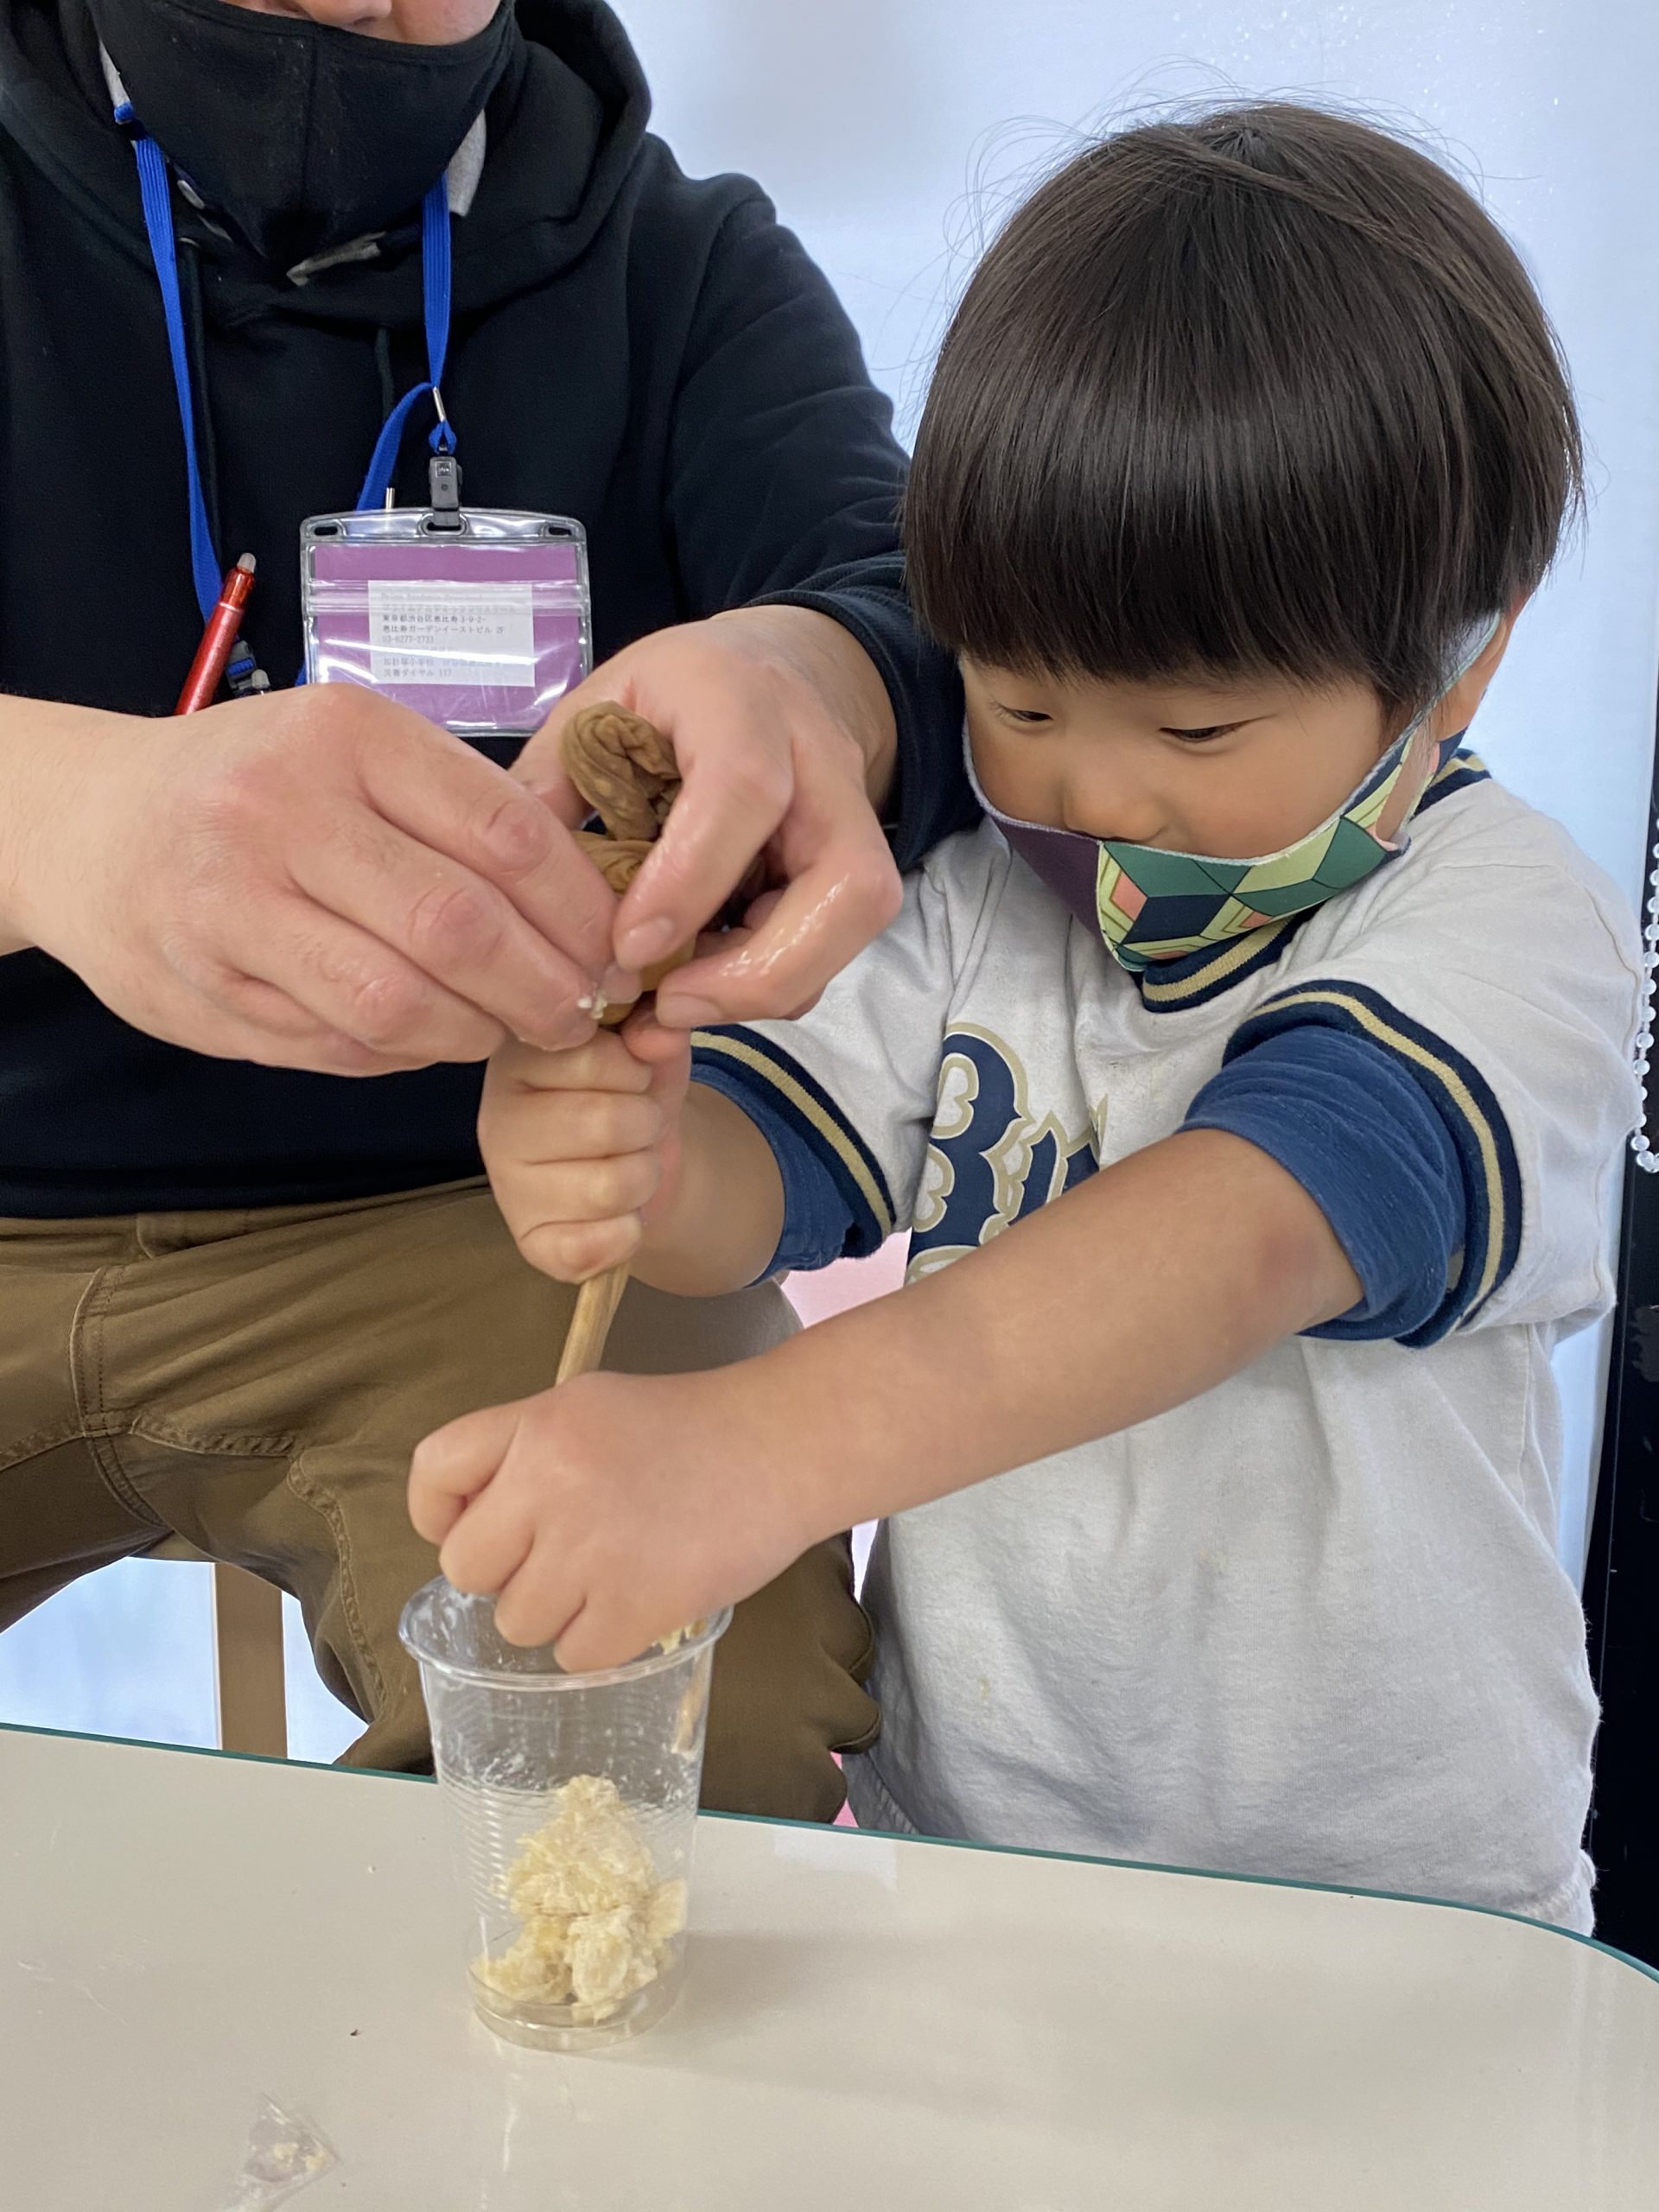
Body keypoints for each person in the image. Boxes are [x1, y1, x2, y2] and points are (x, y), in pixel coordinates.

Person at [416, 105, 1642, 1929]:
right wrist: (632, 1148)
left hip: (1394, 1913)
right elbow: (768, 1182)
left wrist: (751, 1449)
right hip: (975, 1861)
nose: (1098, 793)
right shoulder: (988, 893)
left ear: (1465, 655)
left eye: (1197, 729)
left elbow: (1243, 1233)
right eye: (1023, 702)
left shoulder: (1513, 923)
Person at [0, 0, 979, 1814]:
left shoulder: (678, 267)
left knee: (688, 1731)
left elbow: (910, 600)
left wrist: (811, 682)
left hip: (468, 1220)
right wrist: (50, 821)